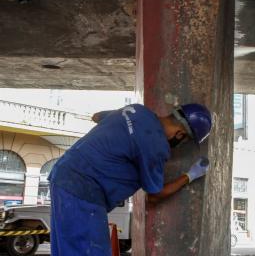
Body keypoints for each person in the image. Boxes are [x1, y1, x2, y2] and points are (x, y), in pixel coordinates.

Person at [48, 103, 212, 256]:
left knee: (66, 250)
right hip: (84, 191)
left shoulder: (137, 111)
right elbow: (154, 195)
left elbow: (97, 116)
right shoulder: (156, 145)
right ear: (180, 134)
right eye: (185, 142)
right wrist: (190, 175)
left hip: (62, 176)